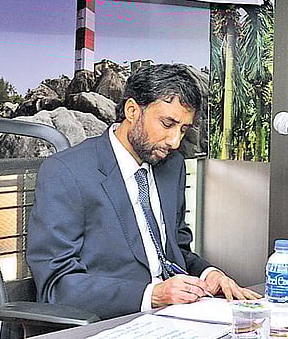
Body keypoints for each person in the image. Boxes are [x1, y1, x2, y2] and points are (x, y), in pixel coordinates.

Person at [27, 64, 258, 319]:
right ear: (132, 110)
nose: (175, 141)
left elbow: (175, 251)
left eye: (183, 129)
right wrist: (152, 295)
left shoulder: (172, 166)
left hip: (181, 315)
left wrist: (208, 274)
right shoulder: (66, 172)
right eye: (167, 123)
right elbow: (56, 285)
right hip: (114, 320)